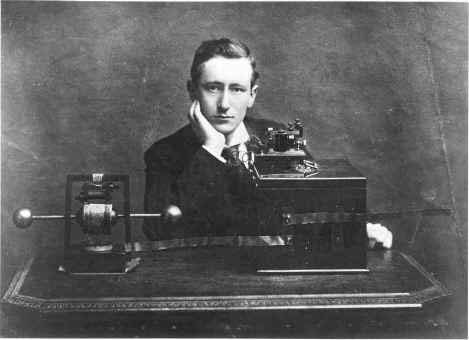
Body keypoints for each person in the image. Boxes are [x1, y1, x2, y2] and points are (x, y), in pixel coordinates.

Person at [143, 38, 392, 249]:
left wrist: (357, 232)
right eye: (213, 88)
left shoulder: (279, 138)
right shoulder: (164, 154)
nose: (224, 104)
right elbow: (158, 233)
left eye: (238, 89)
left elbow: (317, 209)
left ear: (252, 95)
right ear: (192, 91)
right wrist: (210, 149)